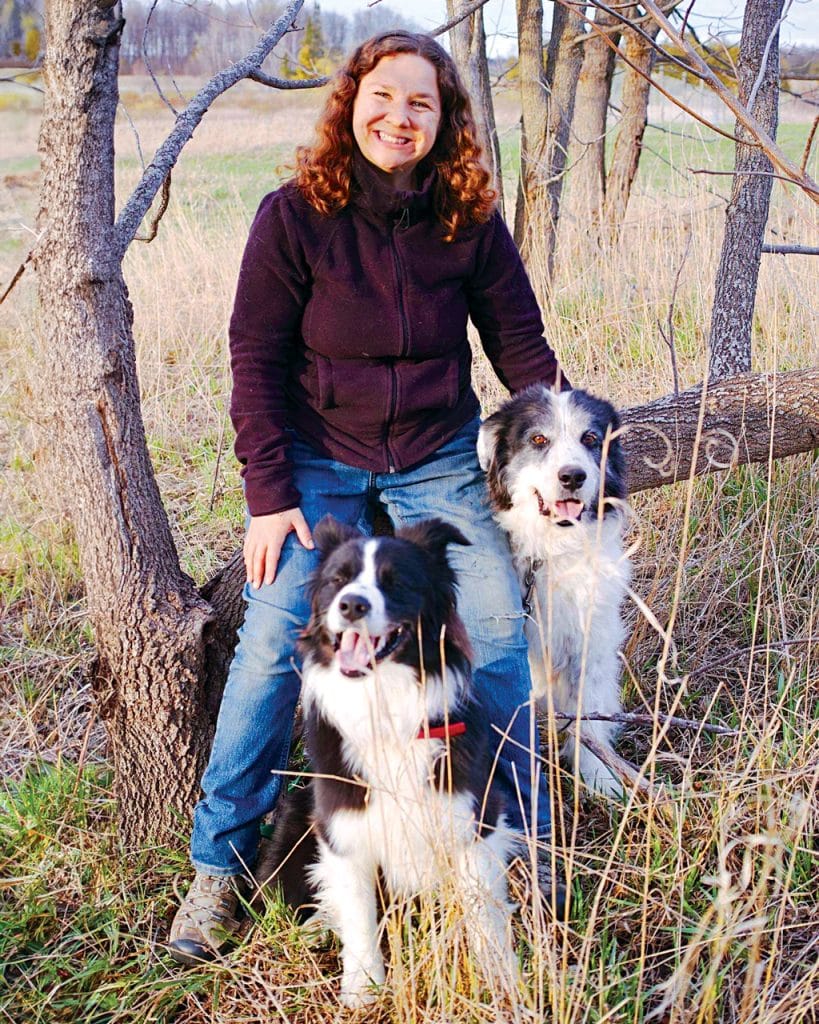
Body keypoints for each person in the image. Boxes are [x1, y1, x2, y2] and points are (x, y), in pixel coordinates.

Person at [168, 29, 569, 965]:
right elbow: (254, 361)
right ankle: (218, 869)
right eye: (383, 97)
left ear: (445, 120)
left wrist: (557, 448)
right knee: (272, 634)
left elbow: (520, 346)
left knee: (501, 631)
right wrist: (270, 495)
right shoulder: (294, 214)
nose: (400, 117)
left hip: (433, 449)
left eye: (421, 103)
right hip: (317, 456)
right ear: (351, 103)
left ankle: (524, 847)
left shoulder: (466, 219)